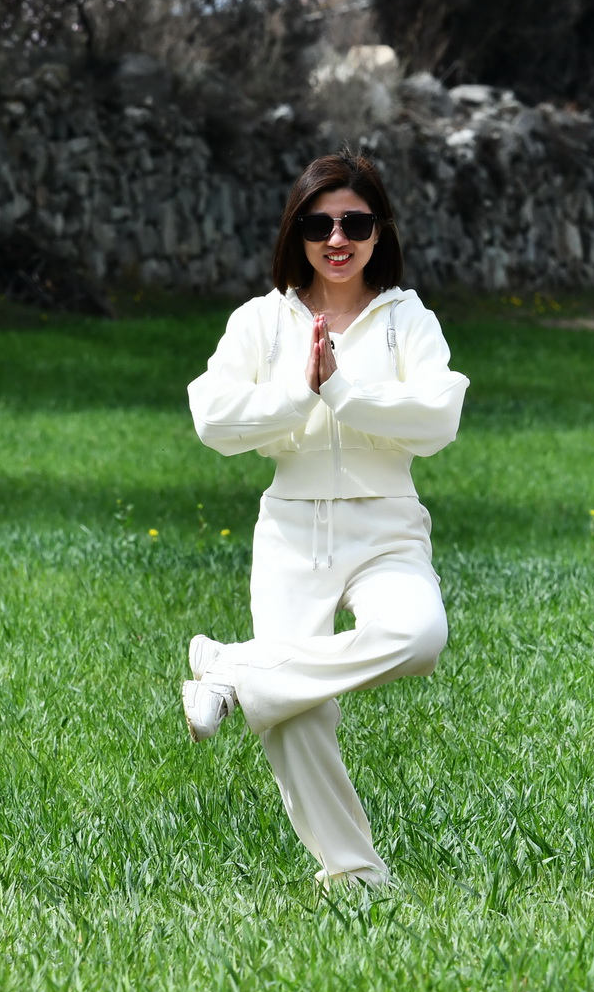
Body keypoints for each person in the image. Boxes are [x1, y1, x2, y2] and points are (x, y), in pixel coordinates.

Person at [183, 153, 467, 890]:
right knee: (301, 715)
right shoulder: (260, 319)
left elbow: (437, 416)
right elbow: (212, 416)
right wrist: (300, 392)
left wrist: (344, 392)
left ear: (379, 232)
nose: (336, 238)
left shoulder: (408, 319)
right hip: (291, 526)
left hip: (388, 524)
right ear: (296, 231)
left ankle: (234, 668)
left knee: (418, 635)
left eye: (355, 223)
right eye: (318, 223)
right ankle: (356, 877)